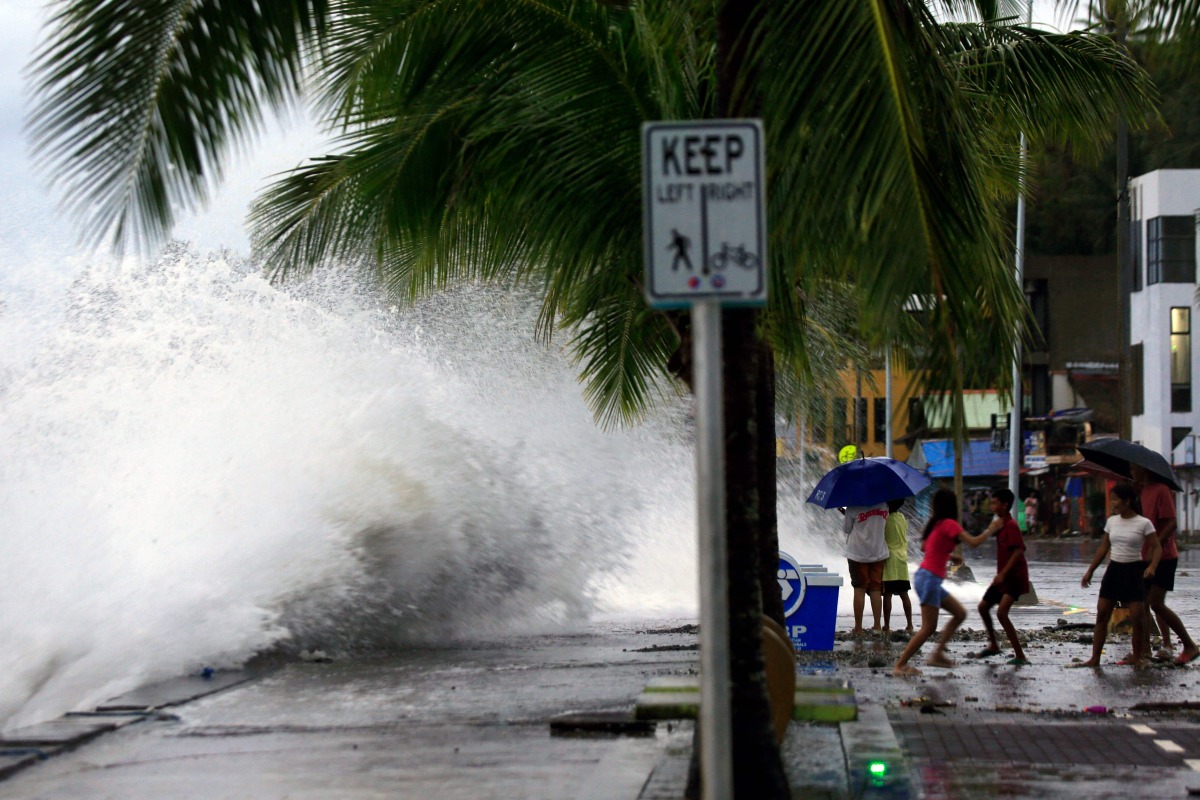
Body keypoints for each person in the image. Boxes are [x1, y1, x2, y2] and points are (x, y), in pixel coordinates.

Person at [893, 489, 991, 676]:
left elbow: (925, 547)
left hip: (926, 578)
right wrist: (992, 528)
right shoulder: (949, 524)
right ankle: (900, 665)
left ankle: (937, 653)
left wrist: (949, 556)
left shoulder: (935, 524)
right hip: (929, 579)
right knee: (928, 628)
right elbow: (974, 542)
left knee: (960, 613)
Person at [1071, 482, 1161, 668]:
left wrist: (1152, 566)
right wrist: (1090, 571)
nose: (1112, 503)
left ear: (1127, 501)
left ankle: (1138, 656)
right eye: (1112, 500)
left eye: (1115, 499)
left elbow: (1157, 547)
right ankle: (1094, 658)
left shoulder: (1143, 523)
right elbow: (1104, 546)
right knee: (1102, 615)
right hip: (1114, 570)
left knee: (1137, 617)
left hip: (1134, 571)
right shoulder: (1112, 521)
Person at [1131, 464, 1200, 665]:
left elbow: (1171, 522)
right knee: (1141, 603)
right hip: (1145, 555)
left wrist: (1157, 543)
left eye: (1134, 469)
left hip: (1164, 556)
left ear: (1144, 469)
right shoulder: (1142, 491)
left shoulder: (1161, 490)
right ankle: (1143, 652)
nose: (1132, 472)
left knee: (1155, 602)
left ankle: (1188, 645)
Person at [969, 488, 1030, 665]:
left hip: (1014, 578)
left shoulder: (1011, 525)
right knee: (983, 607)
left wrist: (1003, 574)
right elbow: (979, 540)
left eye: (995, 503)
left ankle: (1020, 655)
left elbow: (1018, 551)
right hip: (1002, 577)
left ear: (1005, 505)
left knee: (1002, 613)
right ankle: (994, 645)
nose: (992, 506)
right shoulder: (1000, 524)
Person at [841, 501, 891, 636]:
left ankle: (858, 628)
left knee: (860, 588)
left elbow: (846, 529)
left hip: (857, 554)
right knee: (876, 588)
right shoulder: (884, 505)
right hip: (878, 552)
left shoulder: (853, 506)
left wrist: (845, 514)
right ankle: (877, 626)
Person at [882, 498, 913, 633]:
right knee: (904, 594)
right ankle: (910, 625)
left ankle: (887, 626)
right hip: (902, 558)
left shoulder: (885, 519)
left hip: (889, 559)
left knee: (887, 593)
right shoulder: (902, 518)